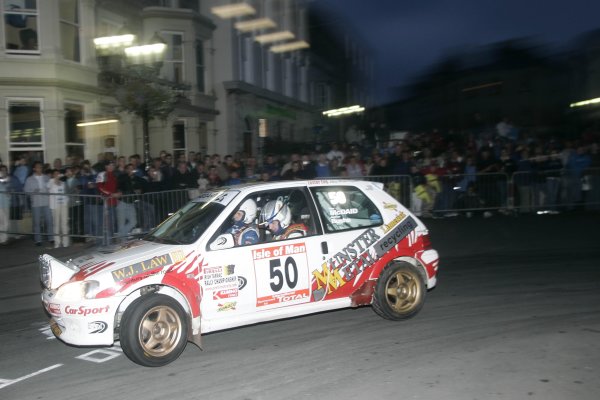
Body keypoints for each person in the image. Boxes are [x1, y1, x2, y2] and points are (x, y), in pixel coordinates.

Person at [24, 161, 53, 246]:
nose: (40, 168)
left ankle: (51, 238)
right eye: (38, 167)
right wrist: (33, 191)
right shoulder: (29, 179)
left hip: (46, 202)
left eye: (41, 167)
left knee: (49, 220)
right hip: (36, 203)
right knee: (37, 222)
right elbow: (26, 191)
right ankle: (38, 240)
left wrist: (48, 190)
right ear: (34, 169)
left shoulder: (46, 177)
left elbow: (51, 188)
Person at [47, 169, 70, 248]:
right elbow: (48, 187)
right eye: (55, 174)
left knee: (64, 223)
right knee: (56, 224)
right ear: (53, 175)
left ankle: (65, 242)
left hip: (63, 204)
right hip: (55, 205)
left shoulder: (63, 183)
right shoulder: (51, 182)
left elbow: (66, 192)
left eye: (58, 173)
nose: (57, 175)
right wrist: (55, 179)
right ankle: (57, 242)